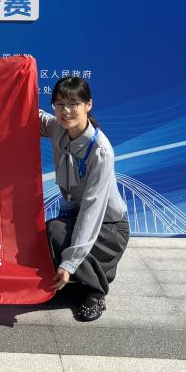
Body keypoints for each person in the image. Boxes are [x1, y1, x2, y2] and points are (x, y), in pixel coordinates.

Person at [39, 76, 129, 321]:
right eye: (59, 104)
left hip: (109, 228)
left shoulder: (100, 151)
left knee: (57, 233)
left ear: (88, 105)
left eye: (73, 104)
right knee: (48, 233)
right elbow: (34, 118)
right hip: (79, 215)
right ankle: (75, 282)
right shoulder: (59, 128)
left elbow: (92, 211)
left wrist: (68, 263)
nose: (65, 111)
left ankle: (95, 291)